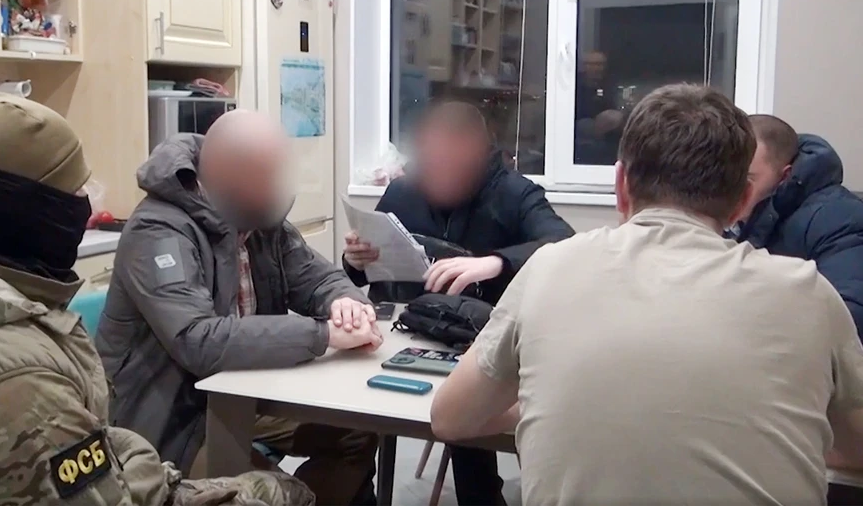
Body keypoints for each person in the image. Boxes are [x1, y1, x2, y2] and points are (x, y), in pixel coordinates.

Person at [431, 84, 863, 506]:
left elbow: (450, 418)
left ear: (620, 185)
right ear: (743, 200)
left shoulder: (549, 269)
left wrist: (537, 407)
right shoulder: (809, 294)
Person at [0, 95, 313, 505]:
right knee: (284, 491)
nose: (85, 208)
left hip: (144, 449)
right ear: (25, 210)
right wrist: (271, 491)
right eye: (74, 192)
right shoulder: (13, 381)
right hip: (173, 428)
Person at [96, 110, 380, 506]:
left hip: (245, 394)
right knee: (269, 493)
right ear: (230, 183)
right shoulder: (158, 231)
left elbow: (317, 278)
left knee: (356, 432)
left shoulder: (259, 219)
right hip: (174, 421)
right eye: (269, 179)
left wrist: (346, 304)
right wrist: (324, 334)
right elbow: (198, 340)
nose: (283, 190)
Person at [344, 100, 574, 506]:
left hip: (486, 341)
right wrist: (356, 260)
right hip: (409, 332)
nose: (441, 173)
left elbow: (565, 243)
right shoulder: (404, 191)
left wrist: (495, 262)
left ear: (482, 154)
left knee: (467, 417)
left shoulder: (514, 192)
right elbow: (363, 273)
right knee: (354, 413)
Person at [733, 115, 863, 335]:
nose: (731, 188)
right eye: (727, 177)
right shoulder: (725, 214)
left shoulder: (840, 218)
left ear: (785, 176)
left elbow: (849, 316)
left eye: (747, 179)